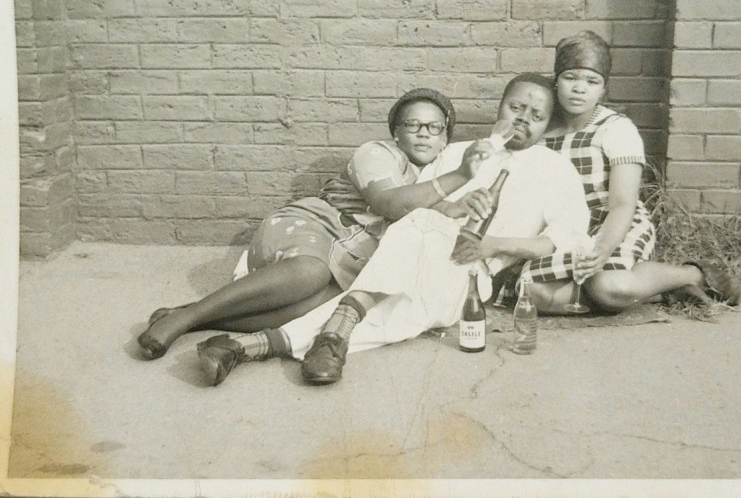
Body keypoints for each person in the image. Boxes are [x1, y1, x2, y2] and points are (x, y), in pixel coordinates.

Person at [195, 73, 592, 386]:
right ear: (500, 106)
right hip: (420, 241)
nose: (522, 119)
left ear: (548, 125)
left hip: (472, 273)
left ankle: (258, 343)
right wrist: (453, 206)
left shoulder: (556, 171)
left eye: (535, 115)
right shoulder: (458, 153)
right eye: (515, 107)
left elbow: (562, 239)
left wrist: (492, 244)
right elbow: (418, 205)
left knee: (402, 314)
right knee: (419, 229)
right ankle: (308, 339)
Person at [136, 88, 493, 370]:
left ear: (446, 138)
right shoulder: (377, 153)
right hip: (315, 225)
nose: (424, 135)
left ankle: (194, 319)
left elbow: (432, 214)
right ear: (395, 133)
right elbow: (389, 204)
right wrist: (461, 176)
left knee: (308, 309)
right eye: (412, 125)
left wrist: (462, 206)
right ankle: (189, 316)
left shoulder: (433, 177)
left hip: (353, 258)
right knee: (309, 273)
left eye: (434, 128)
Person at [520, 30, 741, 314]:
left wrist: (602, 249)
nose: (579, 88)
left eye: (591, 81)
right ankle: (655, 290)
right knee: (531, 292)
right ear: (556, 81)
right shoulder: (542, 130)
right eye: (570, 77)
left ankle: (693, 275)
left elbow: (622, 204)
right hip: (568, 231)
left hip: (615, 224)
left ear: (603, 90)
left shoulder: (615, 129)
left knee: (609, 286)